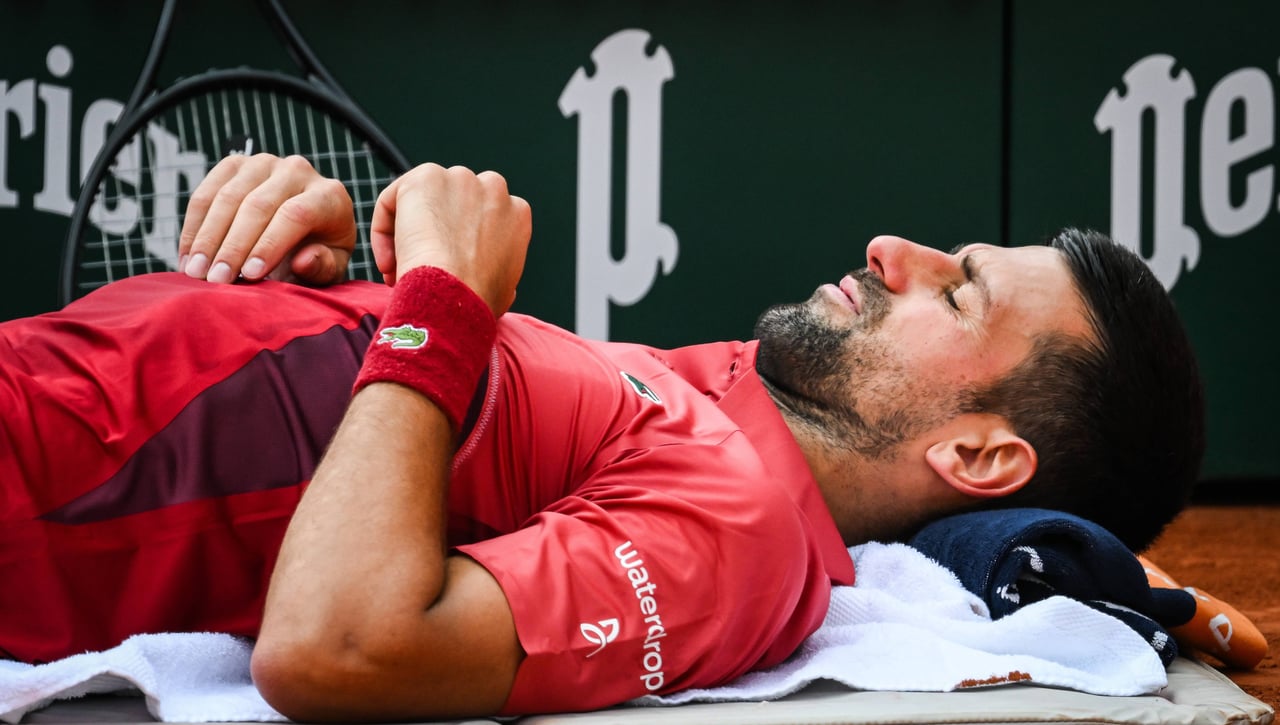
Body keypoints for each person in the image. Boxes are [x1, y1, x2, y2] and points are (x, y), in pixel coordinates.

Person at [0, 154, 1204, 721]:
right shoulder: (716, 393)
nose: (896, 250)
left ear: (979, 458)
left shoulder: (738, 530)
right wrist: (310, 271)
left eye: (956, 292)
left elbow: (341, 643)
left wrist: (435, 307)